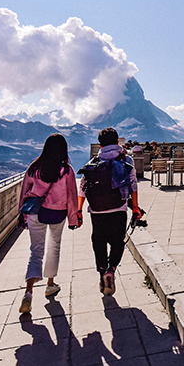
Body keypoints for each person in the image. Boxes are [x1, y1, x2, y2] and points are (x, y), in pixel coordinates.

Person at [18, 133, 80, 314]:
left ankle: (28, 292)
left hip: (35, 213)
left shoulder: (34, 167)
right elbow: (71, 196)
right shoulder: (66, 170)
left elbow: (24, 192)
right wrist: (73, 219)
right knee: (54, 246)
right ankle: (50, 284)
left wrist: (22, 216)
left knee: (35, 250)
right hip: (57, 213)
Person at [78, 127, 143, 296]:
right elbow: (133, 185)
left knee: (98, 242)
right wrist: (135, 207)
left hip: (97, 211)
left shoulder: (93, 162)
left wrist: (78, 210)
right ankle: (111, 269)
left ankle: (102, 272)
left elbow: (83, 188)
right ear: (117, 142)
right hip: (118, 208)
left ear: (100, 145)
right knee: (117, 242)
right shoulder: (126, 159)